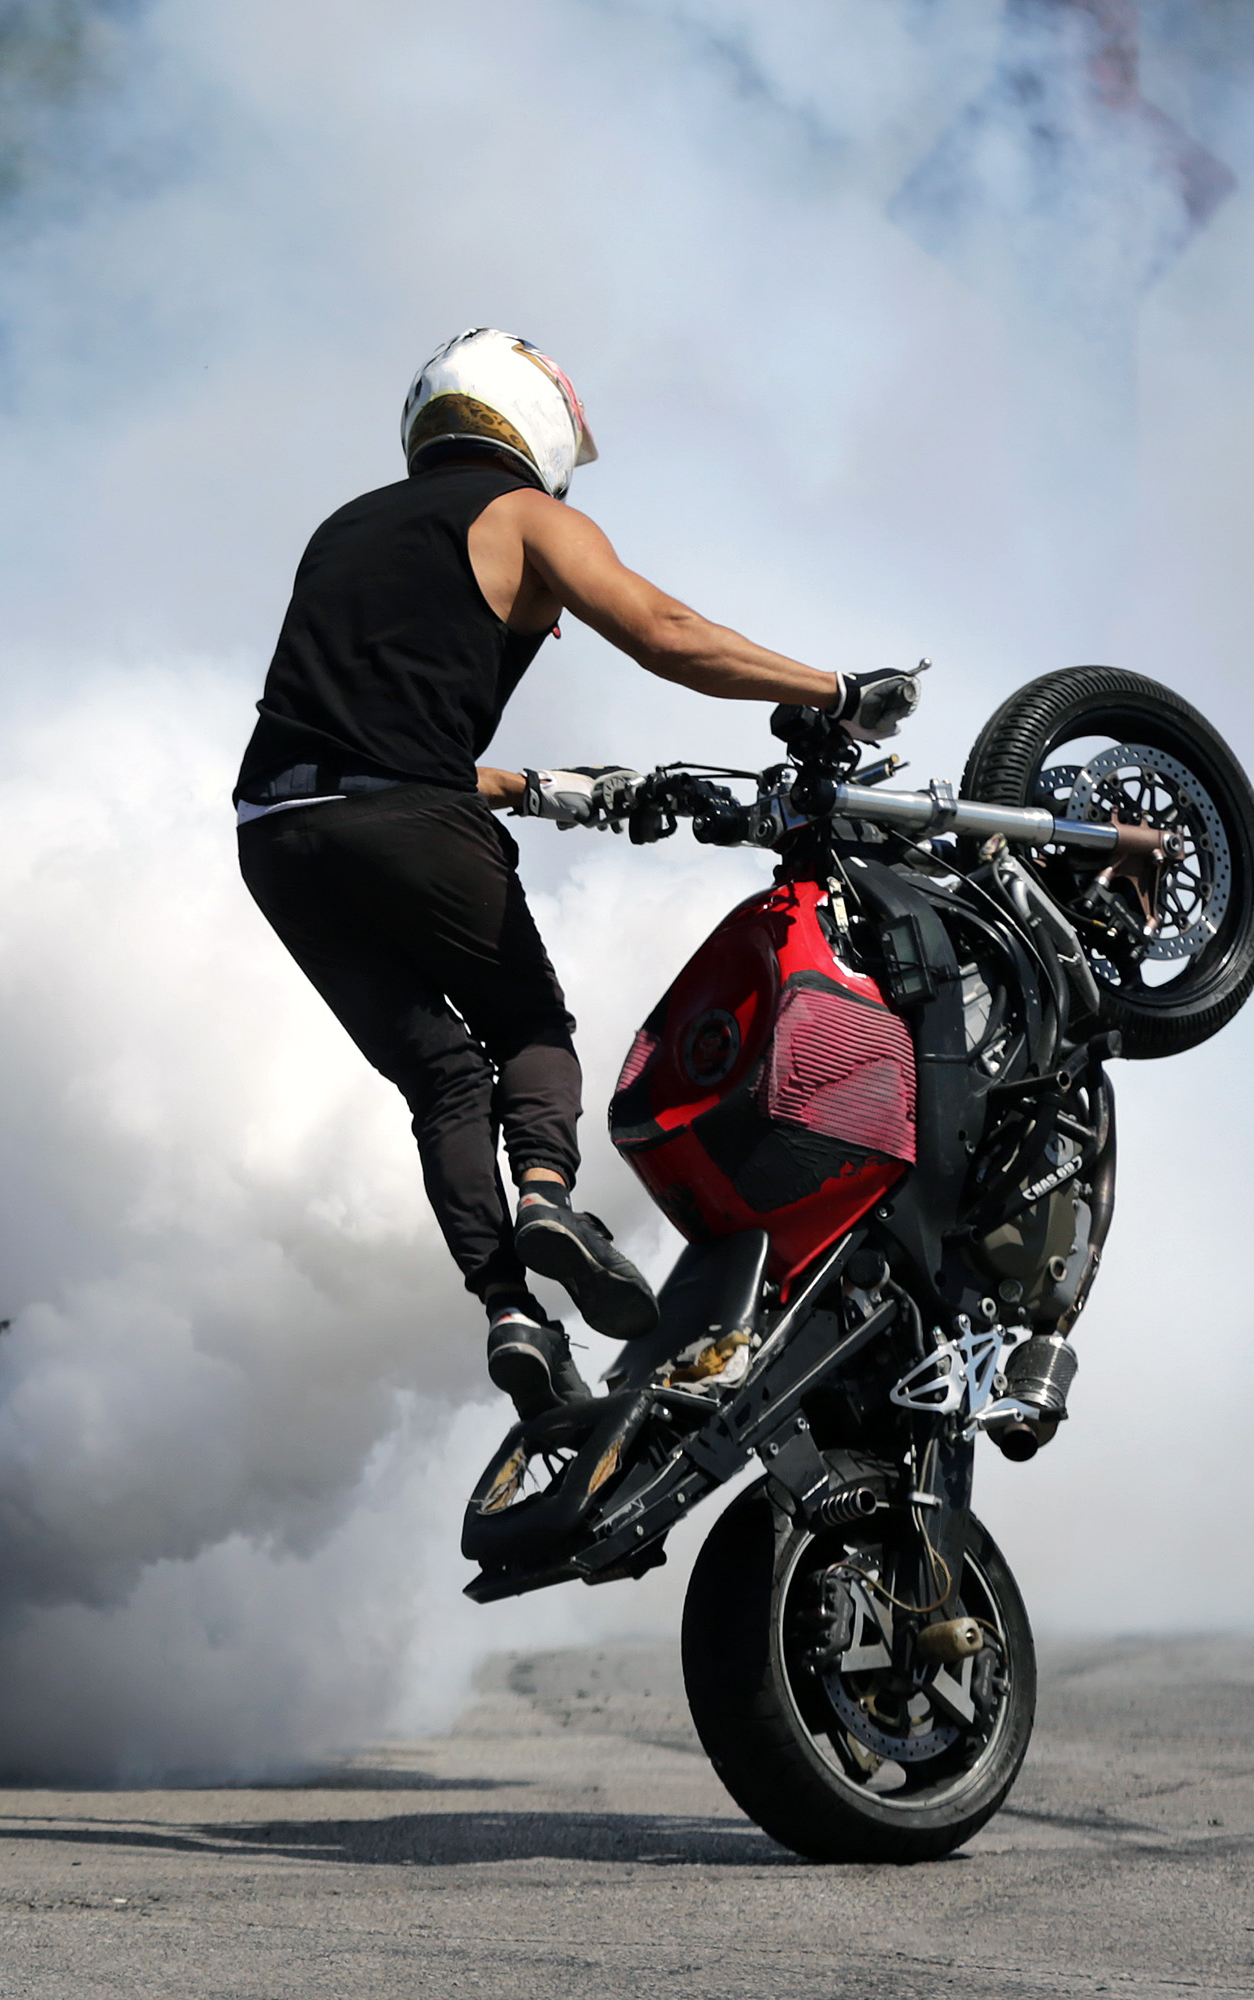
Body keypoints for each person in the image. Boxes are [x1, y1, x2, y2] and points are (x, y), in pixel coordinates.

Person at [234, 329, 921, 1420]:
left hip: (274, 830)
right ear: (535, 422)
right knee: (529, 1033)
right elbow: (663, 631)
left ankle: (512, 1312)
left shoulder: (341, 529)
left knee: (439, 1081)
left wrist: (511, 782)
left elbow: (365, 714)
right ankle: (551, 1198)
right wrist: (833, 687)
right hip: (410, 816)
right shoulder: (525, 517)